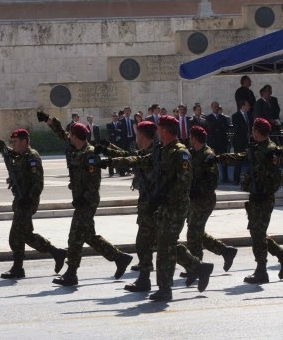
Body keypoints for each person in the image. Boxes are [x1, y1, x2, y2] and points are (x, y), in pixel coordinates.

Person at [106, 116, 214, 301]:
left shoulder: (180, 152)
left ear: (164, 130)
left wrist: (165, 197)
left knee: (165, 247)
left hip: (176, 208)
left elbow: (185, 181)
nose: (157, 133)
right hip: (163, 206)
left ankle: (165, 288)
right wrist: (109, 159)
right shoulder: (162, 151)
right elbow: (142, 160)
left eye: (159, 129)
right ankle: (199, 268)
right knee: (166, 244)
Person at [37, 111, 133, 286]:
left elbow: (94, 183)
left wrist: (84, 199)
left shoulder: (89, 154)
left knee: (75, 237)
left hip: (87, 201)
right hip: (81, 200)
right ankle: (119, 258)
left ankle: (71, 273)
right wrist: (48, 120)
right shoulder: (78, 147)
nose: (68, 137)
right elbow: (61, 133)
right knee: (88, 236)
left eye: (71, 135)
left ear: (76, 136)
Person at [0, 125, 67, 279]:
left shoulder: (32, 157)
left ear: (24, 141)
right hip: (20, 200)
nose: (13, 144)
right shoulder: (19, 155)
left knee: (16, 236)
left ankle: (19, 267)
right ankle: (55, 253)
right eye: (12, 141)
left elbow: (38, 182)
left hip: (27, 201)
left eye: (15, 141)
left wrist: (29, 198)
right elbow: (4, 149)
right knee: (25, 234)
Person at [218, 118, 283, 283]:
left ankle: (261, 271)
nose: (252, 132)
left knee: (258, 234)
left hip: (264, 197)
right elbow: (240, 157)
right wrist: (219, 158)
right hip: (255, 196)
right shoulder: (257, 149)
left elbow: (274, 176)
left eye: (254, 130)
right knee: (257, 232)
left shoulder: (270, 150)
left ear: (259, 131)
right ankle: (280, 256)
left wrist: (261, 182)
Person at [102, 121, 158, 292]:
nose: (135, 138)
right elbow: (130, 156)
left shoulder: (155, 152)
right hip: (148, 202)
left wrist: (109, 162)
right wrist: (108, 149)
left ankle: (196, 266)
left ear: (141, 135)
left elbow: (132, 160)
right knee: (153, 242)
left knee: (148, 242)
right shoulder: (147, 150)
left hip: (154, 204)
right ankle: (144, 278)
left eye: (137, 135)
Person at [180, 126, 238, 282]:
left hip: (204, 200)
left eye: (191, 137)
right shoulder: (194, 153)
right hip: (194, 200)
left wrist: (197, 190)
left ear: (195, 138)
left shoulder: (208, 155)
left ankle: (196, 266)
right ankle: (226, 252)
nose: (189, 140)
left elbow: (213, 181)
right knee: (198, 233)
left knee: (193, 234)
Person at [206, 101, 230, 183]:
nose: (216, 108)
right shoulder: (208, 117)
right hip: (213, 142)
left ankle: (225, 178)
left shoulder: (223, 118)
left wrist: (218, 128)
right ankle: (213, 178)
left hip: (222, 142)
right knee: (213, 161)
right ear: (212, 107)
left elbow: (226, 127)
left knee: (224, 160)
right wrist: (218, 128)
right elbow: (210, 128)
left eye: (217, 106)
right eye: (214, 106)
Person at [231, 100, 252, 184]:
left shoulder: (249, 116)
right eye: (247, 105)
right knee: (238, 161)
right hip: (239, 142)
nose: (249, 107)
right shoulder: (235, 116)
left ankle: (249, 180)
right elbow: (237, 129)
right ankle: (236, 180)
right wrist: (247, 132)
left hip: (248, 142)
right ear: (243, 106)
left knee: (250, 161)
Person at [106, 111, 123, 177]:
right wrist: (117, 131)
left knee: (120, 157)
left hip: (120, 143)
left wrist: (114, 132)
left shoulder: (121, 124)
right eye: (113, 116)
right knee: (111, 157)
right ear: (111, 117)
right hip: (112, 143)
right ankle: (111, 172)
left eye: (116, 116)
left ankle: (120, 171)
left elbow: (122, 132)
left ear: (118, 117)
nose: (115, 117)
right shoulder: (108, 125)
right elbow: (110, 133)